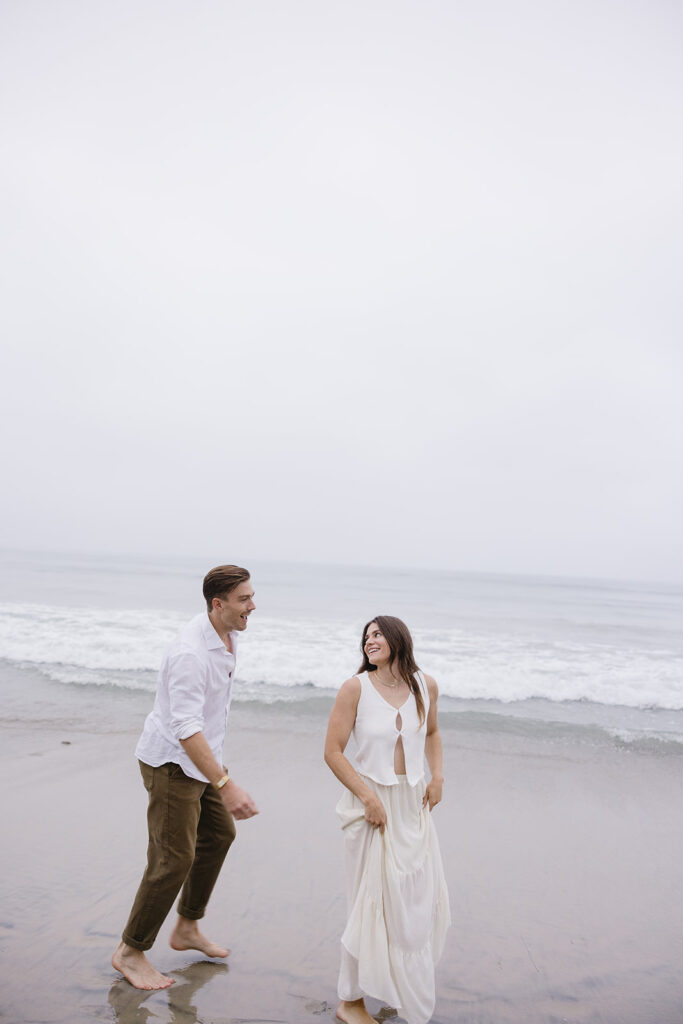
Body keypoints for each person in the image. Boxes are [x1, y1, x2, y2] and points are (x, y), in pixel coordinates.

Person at [112, 564, 259, 991]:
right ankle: (130, 951)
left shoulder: (228, 636)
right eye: (244, 599)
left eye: (251, 596)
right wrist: (226, 784)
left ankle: (187, 928)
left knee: (219, 836)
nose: (253, 605)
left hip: (200, 760)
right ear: (219, 604)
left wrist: (217, 775)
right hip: (172, 765)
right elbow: (185, 729)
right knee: (172, 858)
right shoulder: (189, 654)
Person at [324, 616, 451, 1024]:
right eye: (365, 637)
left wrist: (438, 776)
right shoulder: (354, 688)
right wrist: (367, 797)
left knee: (412, 903)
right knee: (367, 903)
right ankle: (350, 1001)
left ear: (398, 638)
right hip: (369, 807)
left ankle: (395, 984)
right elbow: (333, 751)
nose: (369, 641)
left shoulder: (424, 686)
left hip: (413, 805)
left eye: (377, 634)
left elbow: (432, 734)